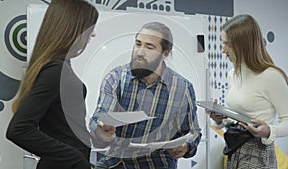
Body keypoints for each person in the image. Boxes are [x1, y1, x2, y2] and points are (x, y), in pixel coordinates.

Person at [89, 22, 202, 169]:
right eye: (138, 44)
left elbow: (193, 132)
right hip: (117, 160)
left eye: (149, 47)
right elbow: (100, 116)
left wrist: (186, 146)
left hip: (157, 163)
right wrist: (100, 128)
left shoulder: (182, 88)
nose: (140, 52)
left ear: (165, 54)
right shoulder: (116, 78)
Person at [6, 0, 98, 169]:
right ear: (73, 28)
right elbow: (19, 129)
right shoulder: (55, 70)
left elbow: (63, 129)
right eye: (90, 29)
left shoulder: (60, 68)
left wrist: (96, 137)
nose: (93, 35)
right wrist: (74, 157)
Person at [209, 14, 288, 169]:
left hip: (259, 152)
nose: (223, 49)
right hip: (235, 149)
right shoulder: (233, 74)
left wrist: (269, 131)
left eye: (227, 44)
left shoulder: (271, 76)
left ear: (243, 45)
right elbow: (239, 119)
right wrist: (220, 119)